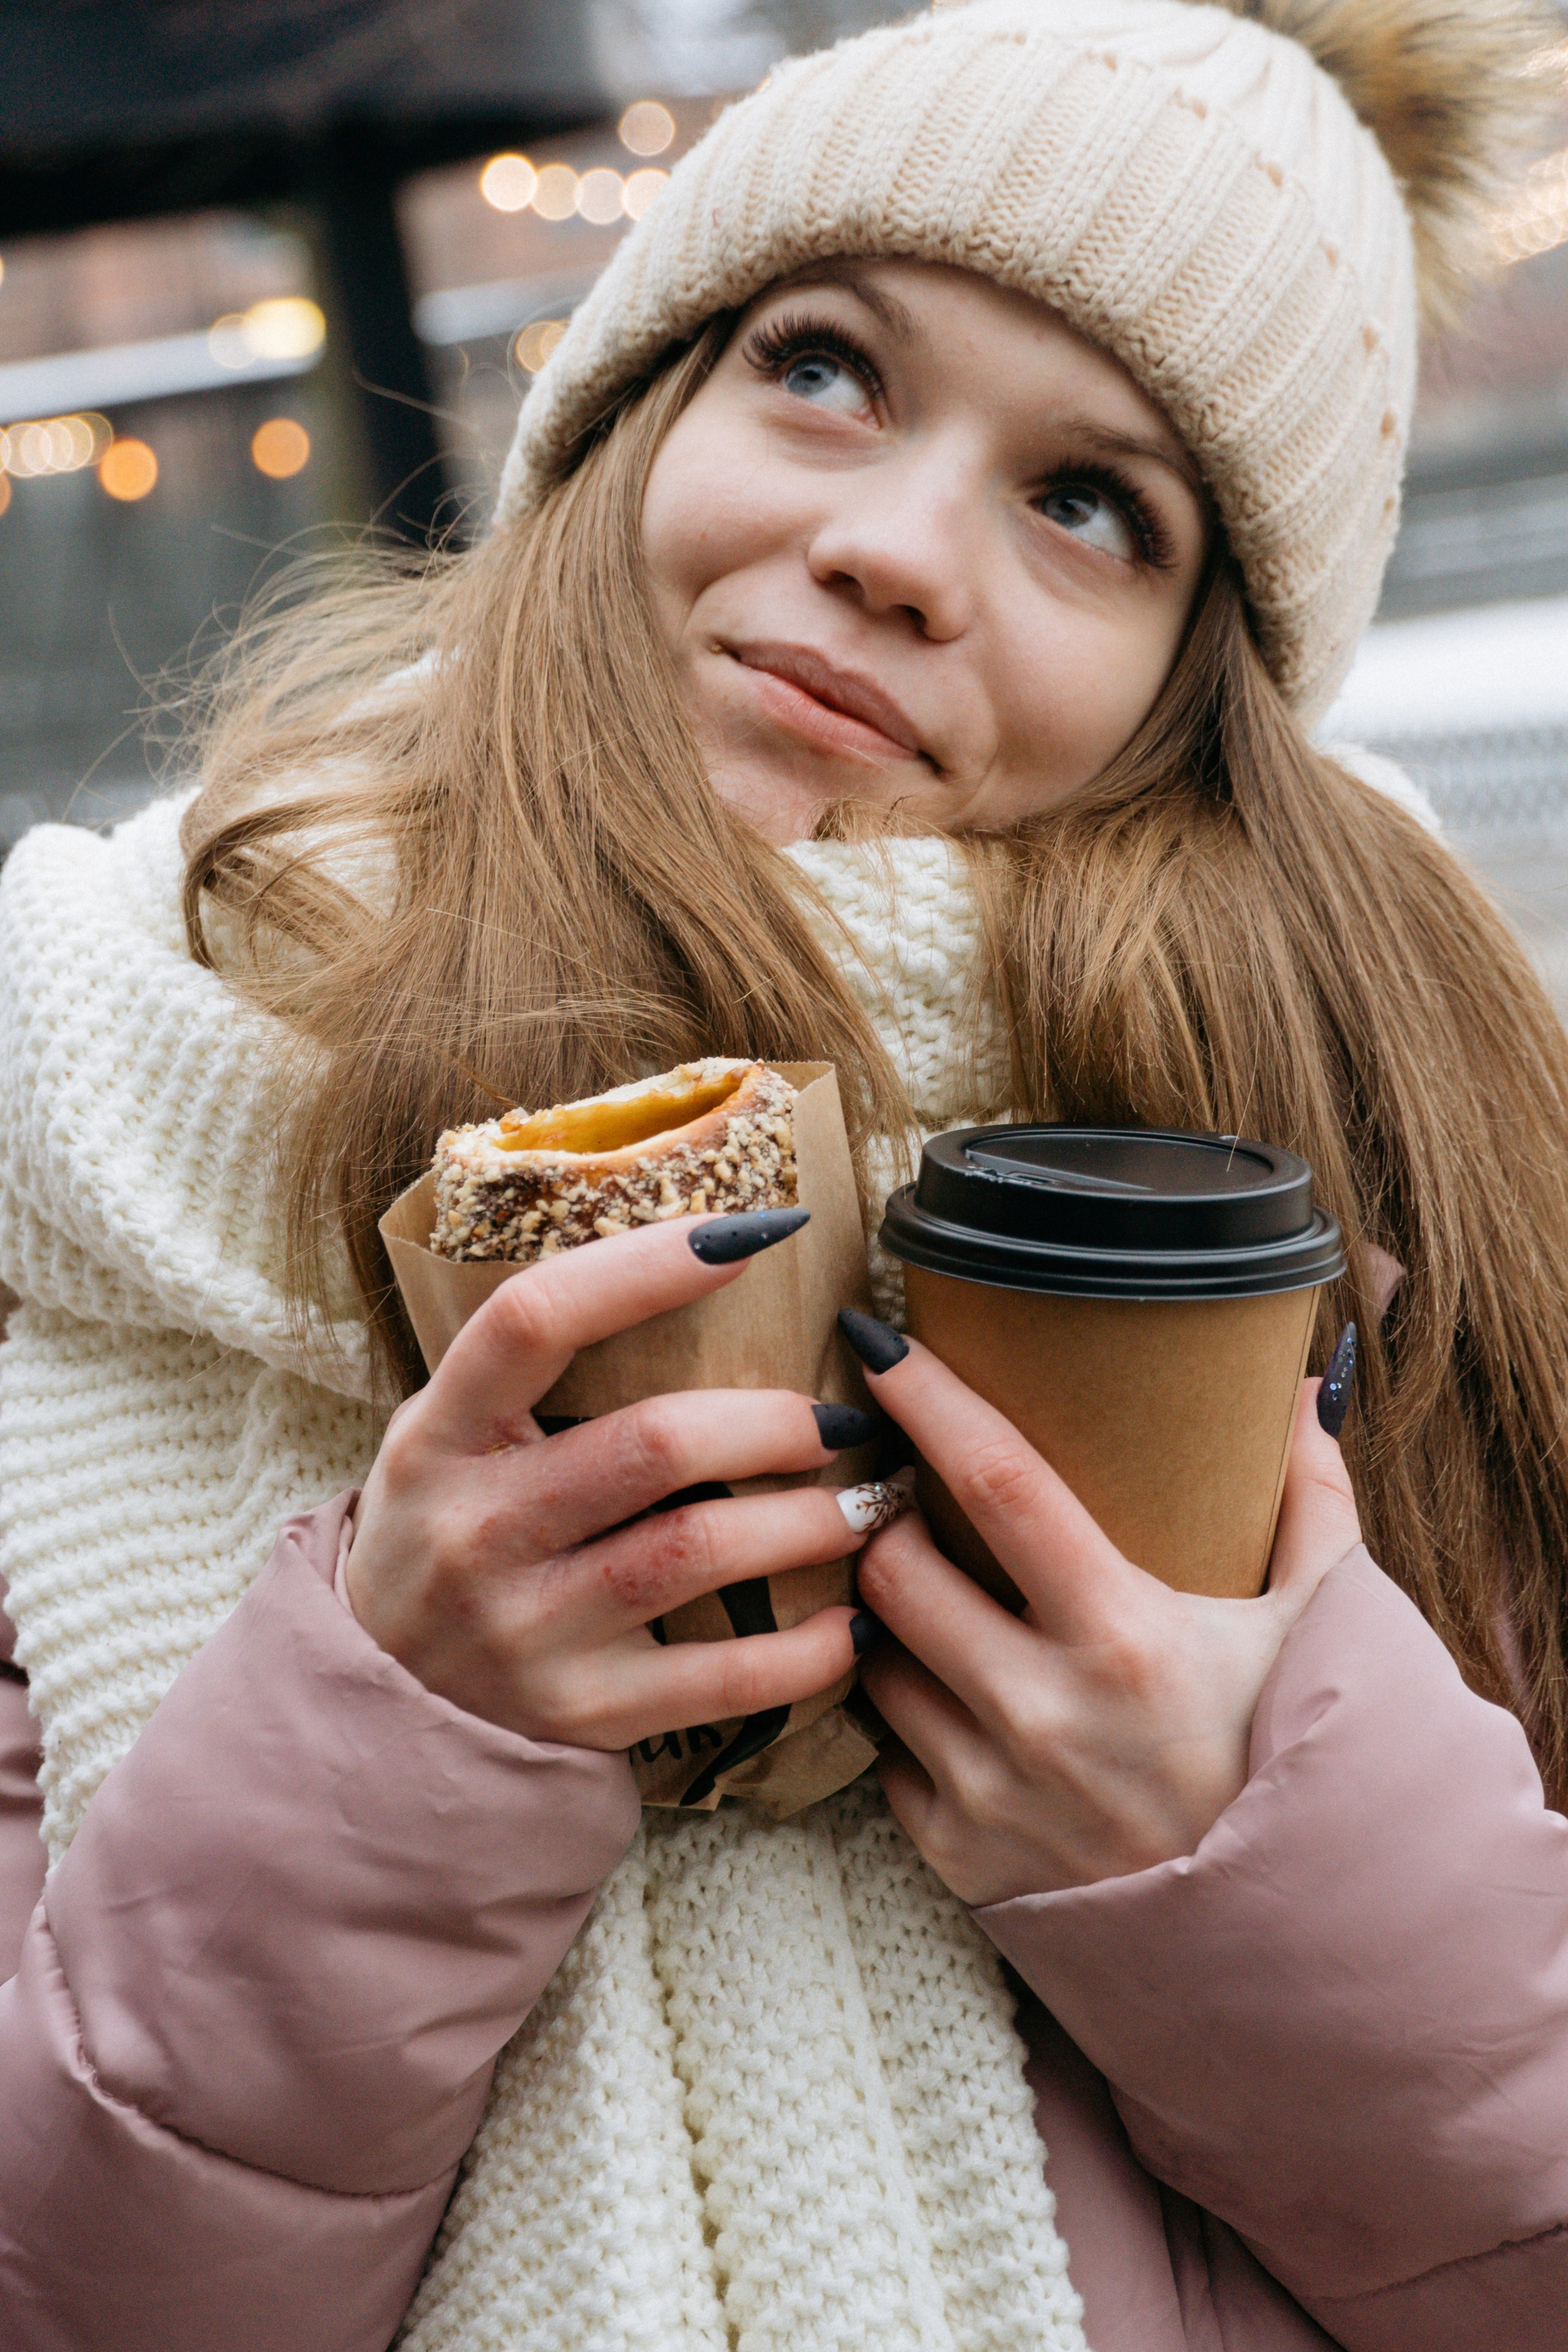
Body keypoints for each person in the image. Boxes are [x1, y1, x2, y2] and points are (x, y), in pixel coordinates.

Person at [2, 1, 1566, 2345]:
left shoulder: (1378, 1172)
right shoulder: (96, 1113)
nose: (893, 548)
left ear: (1195, 685)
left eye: (1089, 503)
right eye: (828, 368)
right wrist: (391, 1761)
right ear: (638, 409)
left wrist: (1247, 1852)